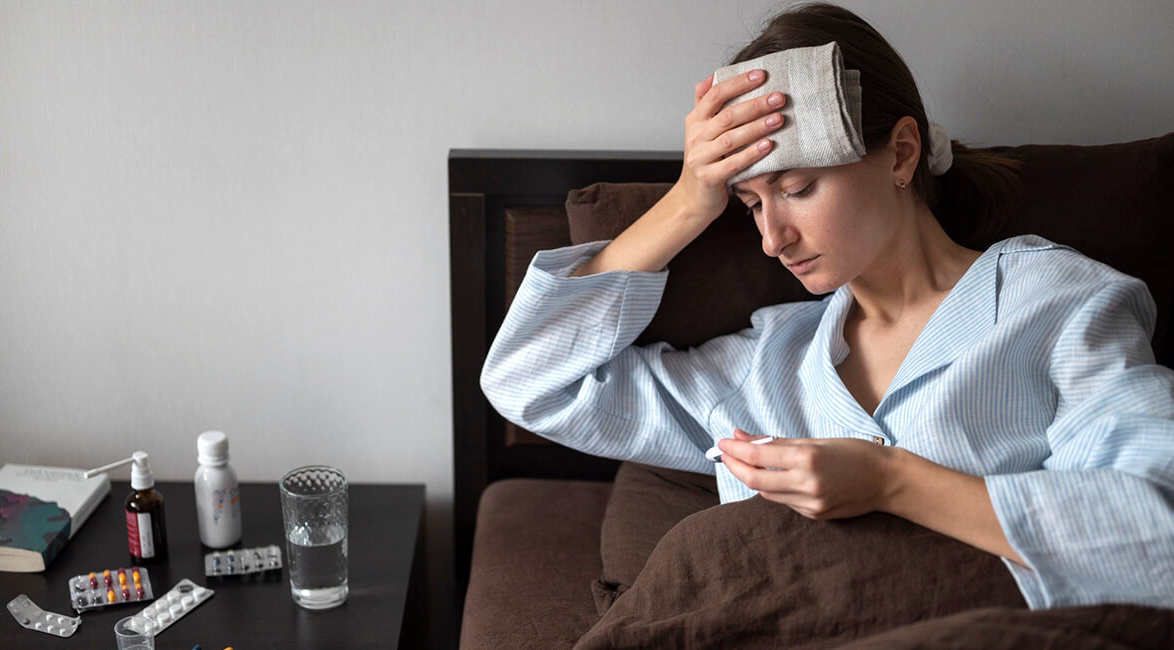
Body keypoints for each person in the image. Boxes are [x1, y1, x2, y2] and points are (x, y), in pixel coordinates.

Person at [480, 2, 1174, 610]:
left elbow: (1157, 532)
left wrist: (891, 481)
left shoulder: (1057, 307)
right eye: (751, 204)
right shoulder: (766, 364)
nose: (771, 239)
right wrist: (689, 200)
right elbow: (527, 382)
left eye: (799, 188)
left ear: (900, 154)